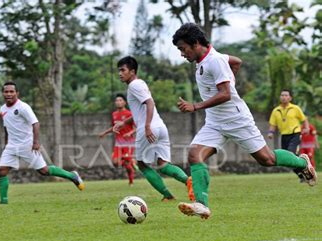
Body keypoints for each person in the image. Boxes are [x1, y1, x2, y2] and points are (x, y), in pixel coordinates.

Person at [172, 23, 317, 219]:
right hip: (215, 122)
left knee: (267, 160)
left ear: (195, 43)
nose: (182, 54)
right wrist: (229, 80)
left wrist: (195, 106)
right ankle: (201, 204)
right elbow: (237, 61)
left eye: (183, 48)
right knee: (194, 154)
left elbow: (226, 95)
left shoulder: (215, 61)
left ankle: (301, 162)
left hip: (236, 119)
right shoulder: (211, 59)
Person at [113, 56, 194, 202]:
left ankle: (168, 195)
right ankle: (188, 181)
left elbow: (150, 103)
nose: (120, 73)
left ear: (132, 71)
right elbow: (141, 110)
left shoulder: (133, 86)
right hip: (161, 127)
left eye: (123, 70)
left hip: (148, 129)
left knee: (142, 165)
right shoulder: (140, 83)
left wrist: (147, 126)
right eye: (119, 70)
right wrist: (124, 122)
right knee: (163, 165)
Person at [0, 81, 84, 204]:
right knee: (1, 170)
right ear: (3, 93)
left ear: (17, 93)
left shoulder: (23, 107)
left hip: (27, 145)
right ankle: (3, 202)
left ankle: (72, 176)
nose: (9, 94)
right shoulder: (2, 109)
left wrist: (35, 142)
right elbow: (6, 127)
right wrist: (6, 143)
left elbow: (35, 123)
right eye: (6, 91)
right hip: (11, 146)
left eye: (12, 91)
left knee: (44, 171)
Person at [98, 93, 137, 185]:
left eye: (120, 100)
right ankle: (131, 161)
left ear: (125, 102)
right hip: (118, 143)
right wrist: (104, 133)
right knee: (115, 162)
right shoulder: (114, 114)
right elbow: (114, 127)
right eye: (116, 100)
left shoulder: (129, 114)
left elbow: (136, 127)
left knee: (127, 164)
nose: (118, 102)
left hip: (128, 143)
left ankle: (131, 181)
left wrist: (130, 133)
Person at [268, 89, 309, 154]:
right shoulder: (276, 110)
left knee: (291, 152)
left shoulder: (295, 108)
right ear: (280, 97)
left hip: (295, 134)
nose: (284, 97)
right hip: (284, 135)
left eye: (286, 95)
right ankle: (297, 163)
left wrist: (307, 128)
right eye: (282, 95)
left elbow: (304, 119)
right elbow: (273, 124)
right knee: (286, 154)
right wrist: (271, 132)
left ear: (290, 98)